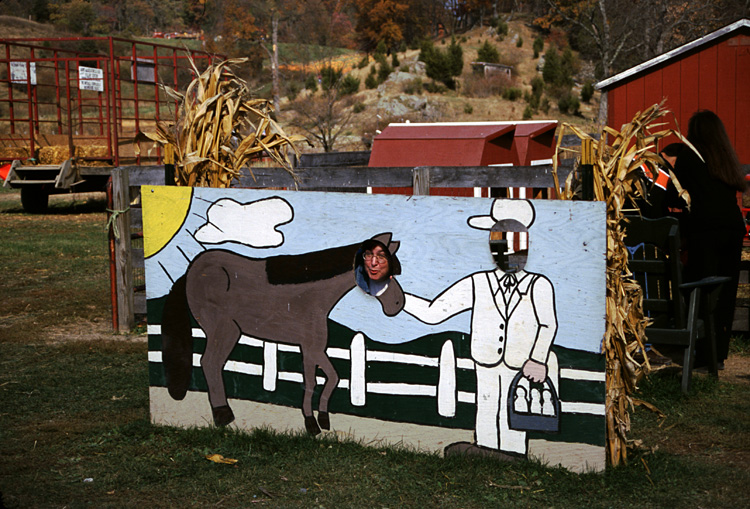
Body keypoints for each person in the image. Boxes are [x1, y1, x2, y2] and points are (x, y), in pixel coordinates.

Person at [403, 199, 558, 460]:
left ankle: (514, 453)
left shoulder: (537, 285)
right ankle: (487, 450)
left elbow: (548, 323)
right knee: (486, 405)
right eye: (499, 243)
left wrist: (538, 358)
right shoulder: (479, 282)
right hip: (485, 359)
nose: (506, 252)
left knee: (516, 408)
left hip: (520, 363)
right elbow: (436, 311)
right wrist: (400, 299)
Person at [673, 110, 747, 368]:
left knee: (701, 289)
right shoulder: (726, 158)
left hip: (705, 230)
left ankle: (702, 353)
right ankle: (718, 354)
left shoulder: (687, 157)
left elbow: (678, 197)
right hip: (733, 228)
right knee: (725, 292)